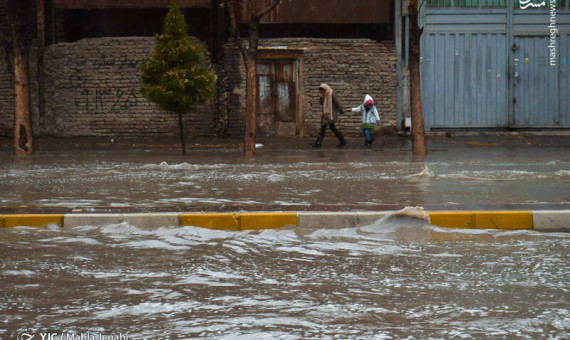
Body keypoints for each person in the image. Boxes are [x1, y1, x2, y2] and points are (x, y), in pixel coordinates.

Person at [311, 83, 347, 148]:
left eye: (322, 91)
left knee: (326, 128)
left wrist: (342, 110)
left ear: (325, 89)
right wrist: (322, 98)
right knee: (329, 128)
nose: (321, 92)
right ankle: (342, 141)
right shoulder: (324, 95)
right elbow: (321, 103)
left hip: (331, 115)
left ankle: (318, 143)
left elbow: (337, 103)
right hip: (325, 114)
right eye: (321, 92)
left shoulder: (331, 94)